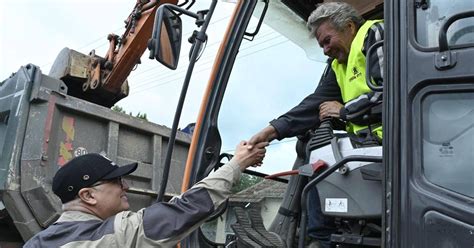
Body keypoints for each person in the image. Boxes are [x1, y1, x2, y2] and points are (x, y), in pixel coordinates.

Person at [249, 2, 384, 247]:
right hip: (370, 147)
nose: (325, 50)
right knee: (311, 144)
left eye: (326, 41)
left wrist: (344, 111)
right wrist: (271, 131)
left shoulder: (374, 35)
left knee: (320, 155)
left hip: (394, 143)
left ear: (350, 27)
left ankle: (320, 240)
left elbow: (392, 92)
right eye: (321, 45)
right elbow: (314, 105)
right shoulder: (339, 66)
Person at [24, 141, 268, 247]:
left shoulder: (36, 242)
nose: (126, 186)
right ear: (88, 196)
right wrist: (237, 163)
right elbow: (186, 209)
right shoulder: (113, 235)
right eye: (118, 181)